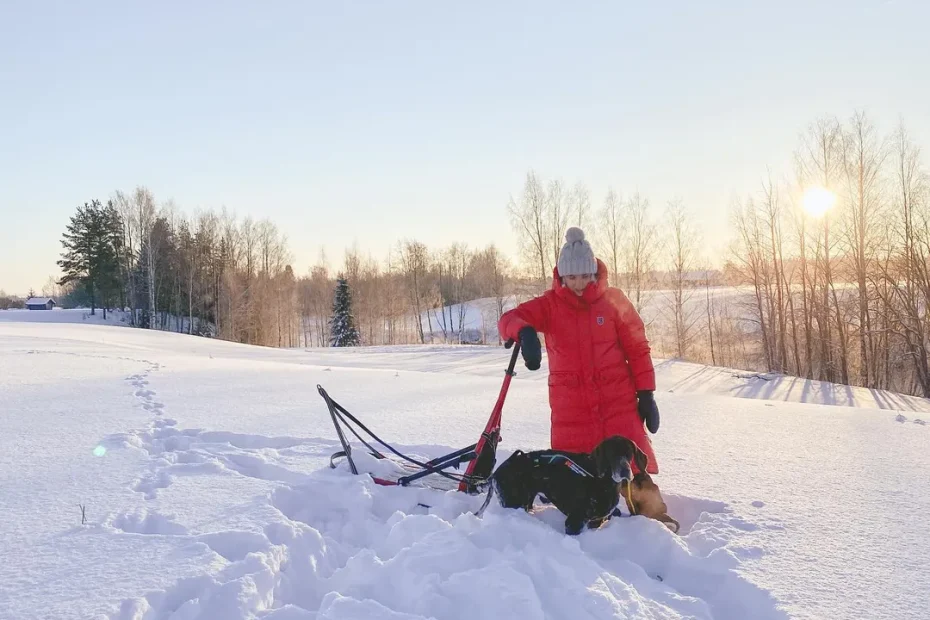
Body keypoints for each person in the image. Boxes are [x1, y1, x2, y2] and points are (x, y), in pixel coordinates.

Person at [497, 227, 661, 474]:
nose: (579, 283)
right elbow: (509, 318)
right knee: (577, 479)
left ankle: (644, 509)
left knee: (633, 478)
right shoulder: (550, 306)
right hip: (571, 411)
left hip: (618, 403)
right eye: (571, 277)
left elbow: (637, 347)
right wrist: (524, 332)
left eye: (585, 275)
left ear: (594, 272)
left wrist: (646, 393)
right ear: (562, 277)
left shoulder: (614, 301)